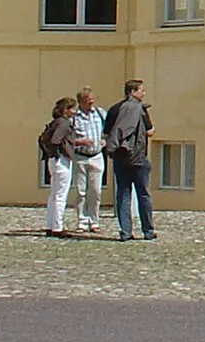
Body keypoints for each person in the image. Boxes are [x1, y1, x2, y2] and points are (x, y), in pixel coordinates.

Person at [104, 79, 155, 241]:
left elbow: (107, 133)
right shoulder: (140, 109)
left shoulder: (114, 109)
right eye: (141, 90)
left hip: (120, 157)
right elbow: (150, 131)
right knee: (143, 195)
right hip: (138, 157)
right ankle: (147, 230)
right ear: (133, 92)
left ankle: (125, 231)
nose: (144, 93)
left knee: (123, 194)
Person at [66, 85, 107, 234]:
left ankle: (94, 221)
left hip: (96, 156)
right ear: (81, 102)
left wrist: (104, 141)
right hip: (81, 157)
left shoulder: (100, 114)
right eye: (88, 101)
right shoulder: (74, 118)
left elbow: (107, 130)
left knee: (95, 191)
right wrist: (80, 142)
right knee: (81, 191)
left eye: (92, 101)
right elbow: (68, 138)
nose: (91, 104)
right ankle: (82, 221)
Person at [40, 96, 79, 237]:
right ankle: (58, 227)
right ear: (66, 110)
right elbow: (56, 139)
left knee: (54, 195)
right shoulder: (64, 123)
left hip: (53, 160)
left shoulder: (55, 122)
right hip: (61, 160)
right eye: (73, 108)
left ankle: (50, 225)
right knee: (61, 195)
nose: (75, 111)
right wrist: (59, 152)